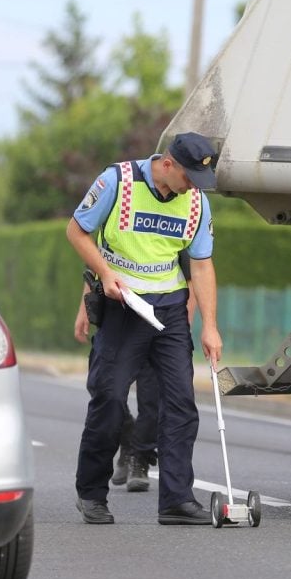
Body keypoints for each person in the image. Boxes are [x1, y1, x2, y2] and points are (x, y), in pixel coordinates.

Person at [67, 132, 222, 525]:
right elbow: (77, 231)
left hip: (169, 309)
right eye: (189, 178)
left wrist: (210, 327)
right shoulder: (116, 182)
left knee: (181, 404)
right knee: (110, 398)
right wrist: (104, 275)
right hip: (123, 307)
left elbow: (201, 266)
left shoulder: (197, 203)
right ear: (167, 164)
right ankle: (91, 493)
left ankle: (176, 500)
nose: (194, 189)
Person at [74, 288, 159, 493]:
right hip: (117, 319)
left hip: (158, 322)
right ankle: (128, 434)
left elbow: (190, 280)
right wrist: (83, 311)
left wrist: (185, 322)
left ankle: (140, 456)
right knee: (101, 388)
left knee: (152, 397)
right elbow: (93, 272)